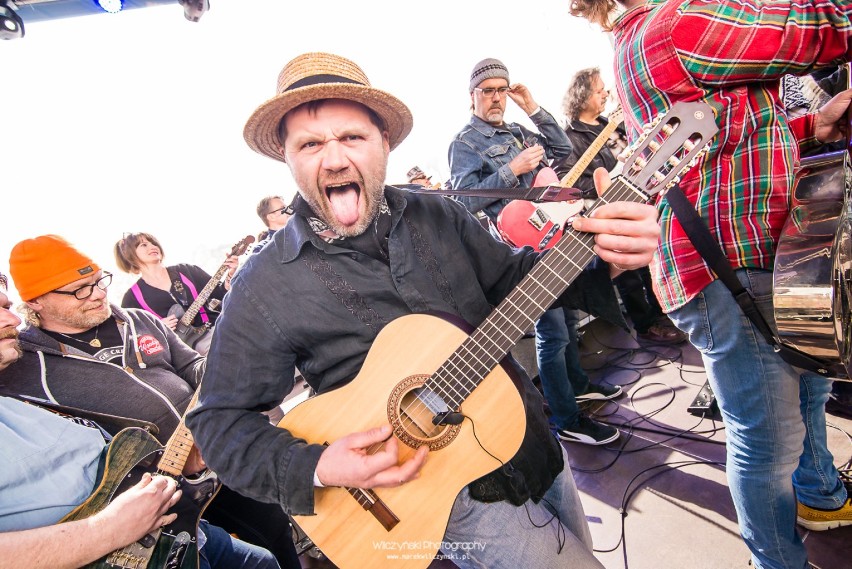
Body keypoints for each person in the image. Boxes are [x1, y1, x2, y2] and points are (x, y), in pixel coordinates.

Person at [187, 51, 661, 568]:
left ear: (384, 143)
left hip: (530, 435)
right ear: (288, 157)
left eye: (352, 137)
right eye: (310, 144)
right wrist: (318, 465)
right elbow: (219, 423)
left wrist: (601, 259)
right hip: (450, 497)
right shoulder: (264, 283)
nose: (335, 159)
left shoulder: (437, 212)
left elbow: (517, 283)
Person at [570, 2, 852, 567]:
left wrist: (811, 125)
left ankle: (821, 496)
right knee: (767, 440)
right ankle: (776, 558)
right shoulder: (678, 22)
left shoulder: (647, 33)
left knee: (807, 390)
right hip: (731, 263)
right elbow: (819, 26)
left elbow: (725, 133)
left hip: (751, 254)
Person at [1, 235, 301, 568]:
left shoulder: (138, 319)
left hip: (219, 450)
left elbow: (192, 367)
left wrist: (232, 359)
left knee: (273, 530)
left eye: (99, 281)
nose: (99, 293)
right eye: (80, 290)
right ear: (36, 301)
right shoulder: (20, 366)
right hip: (155, 494)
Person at [449, 57, 623, 446]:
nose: (496, 98)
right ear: (473, 95)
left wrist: (531, 107)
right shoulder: (464, 143)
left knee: (570, 320)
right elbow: (461, 201)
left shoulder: (515, 129)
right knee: (553, 333)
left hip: (552, 235)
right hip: (517, 252)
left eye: (502, 90)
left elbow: (564, 151)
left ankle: (577, 386)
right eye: (488, 91)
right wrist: (510, 169)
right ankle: (566, 418)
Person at [554, 66, 685, 344]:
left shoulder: (609, 123)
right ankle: (647, 325)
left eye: (604, 88)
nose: (604, 93)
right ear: (582, 95)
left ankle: (665, 313)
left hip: (638, 200)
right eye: (598, 89)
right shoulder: (570, 137)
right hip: (607, 209)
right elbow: (569, 183)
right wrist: (607, 190)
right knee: (629, 275)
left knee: (650, 261)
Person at [114, 232, 238, 355]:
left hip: (217, 328)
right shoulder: (132, 298)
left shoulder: (186, 271)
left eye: (153, 243)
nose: (152, 246)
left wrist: (230, 276)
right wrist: (156, 328)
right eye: (143, 245)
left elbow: (220, 293)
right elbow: (132, 337)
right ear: (129, 255)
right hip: (182, 354)